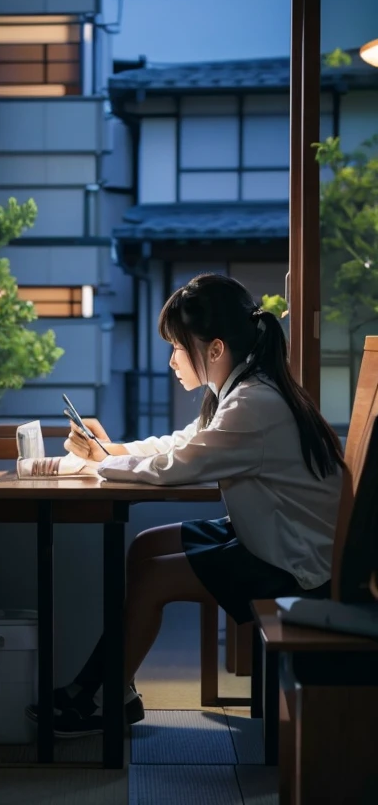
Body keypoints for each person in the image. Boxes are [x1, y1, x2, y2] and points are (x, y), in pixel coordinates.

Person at [27, 273, 343, 737]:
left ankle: (96, 696)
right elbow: (183, 445)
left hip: (300, 563)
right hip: (274, 536)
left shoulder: (253, 404)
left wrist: (99, 468)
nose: (173, 359)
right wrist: (110, 453)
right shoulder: (241, 390)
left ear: (214, 349)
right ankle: (118, 688)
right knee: (145, 548)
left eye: (178, 346)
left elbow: (177, 466)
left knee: (154, 575)